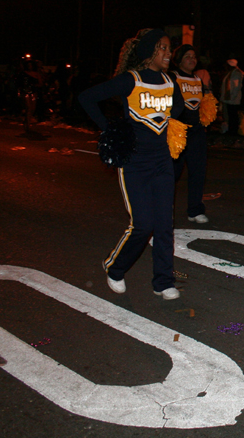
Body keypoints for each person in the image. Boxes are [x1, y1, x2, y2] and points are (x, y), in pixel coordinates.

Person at [79, 28, 185, 300]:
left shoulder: (170, 80)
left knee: (164, 225)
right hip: (134, 162)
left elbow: (179, 108)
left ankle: (163, 281)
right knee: (143, 224)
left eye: (169, 48)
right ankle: (115, 267)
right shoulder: (131, 80)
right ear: (149, 51)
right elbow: (86, 98)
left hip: (162, 160)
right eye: (163, 48)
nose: (168, 53)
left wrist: (173, 125)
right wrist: (110, 129)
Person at [171, 44, 210, 224]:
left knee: (198, 172)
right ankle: (165, 209)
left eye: (194, 56)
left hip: (196, 132)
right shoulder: (171, 77)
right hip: (177, 132)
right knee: (172, 173)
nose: (192, 59)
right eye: (187, 56)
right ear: (179, 59)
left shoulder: (198, 80)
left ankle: (195, 210)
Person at [220, 55, 244, 135]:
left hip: (232, 99)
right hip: (230, 99)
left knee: (233, 115)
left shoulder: (236, 74)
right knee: (230, 115)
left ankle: (233, 130)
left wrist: (232, 97)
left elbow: (236, 87)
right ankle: (231, 129)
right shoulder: (231, 73)